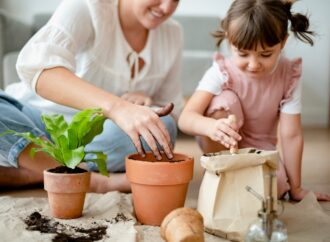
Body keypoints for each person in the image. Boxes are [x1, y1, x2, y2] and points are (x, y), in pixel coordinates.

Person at [3, 0, 184, 190]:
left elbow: (170, 109)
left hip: (95, 139)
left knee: (163, 125)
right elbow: (37, 69)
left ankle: (40, 169)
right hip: (30, 122)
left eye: (175, 0)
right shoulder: (87, 7)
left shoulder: (172, 33)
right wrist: (118, 107)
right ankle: (90, 179)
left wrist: (145, 105)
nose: (166, 8)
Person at [178, 0, 330, 201]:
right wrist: (211, 127)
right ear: (229, 40)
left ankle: (236, 182)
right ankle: (221, 169)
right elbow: (186, 118)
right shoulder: (221, 71)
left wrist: (296, 188)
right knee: (225, 101)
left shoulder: (289, 75)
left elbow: (291, 135)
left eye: (266, 54)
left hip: (261, 149)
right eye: (243, 54)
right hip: (221, 144)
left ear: (283, 42)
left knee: (275, 188)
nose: (253, 64)